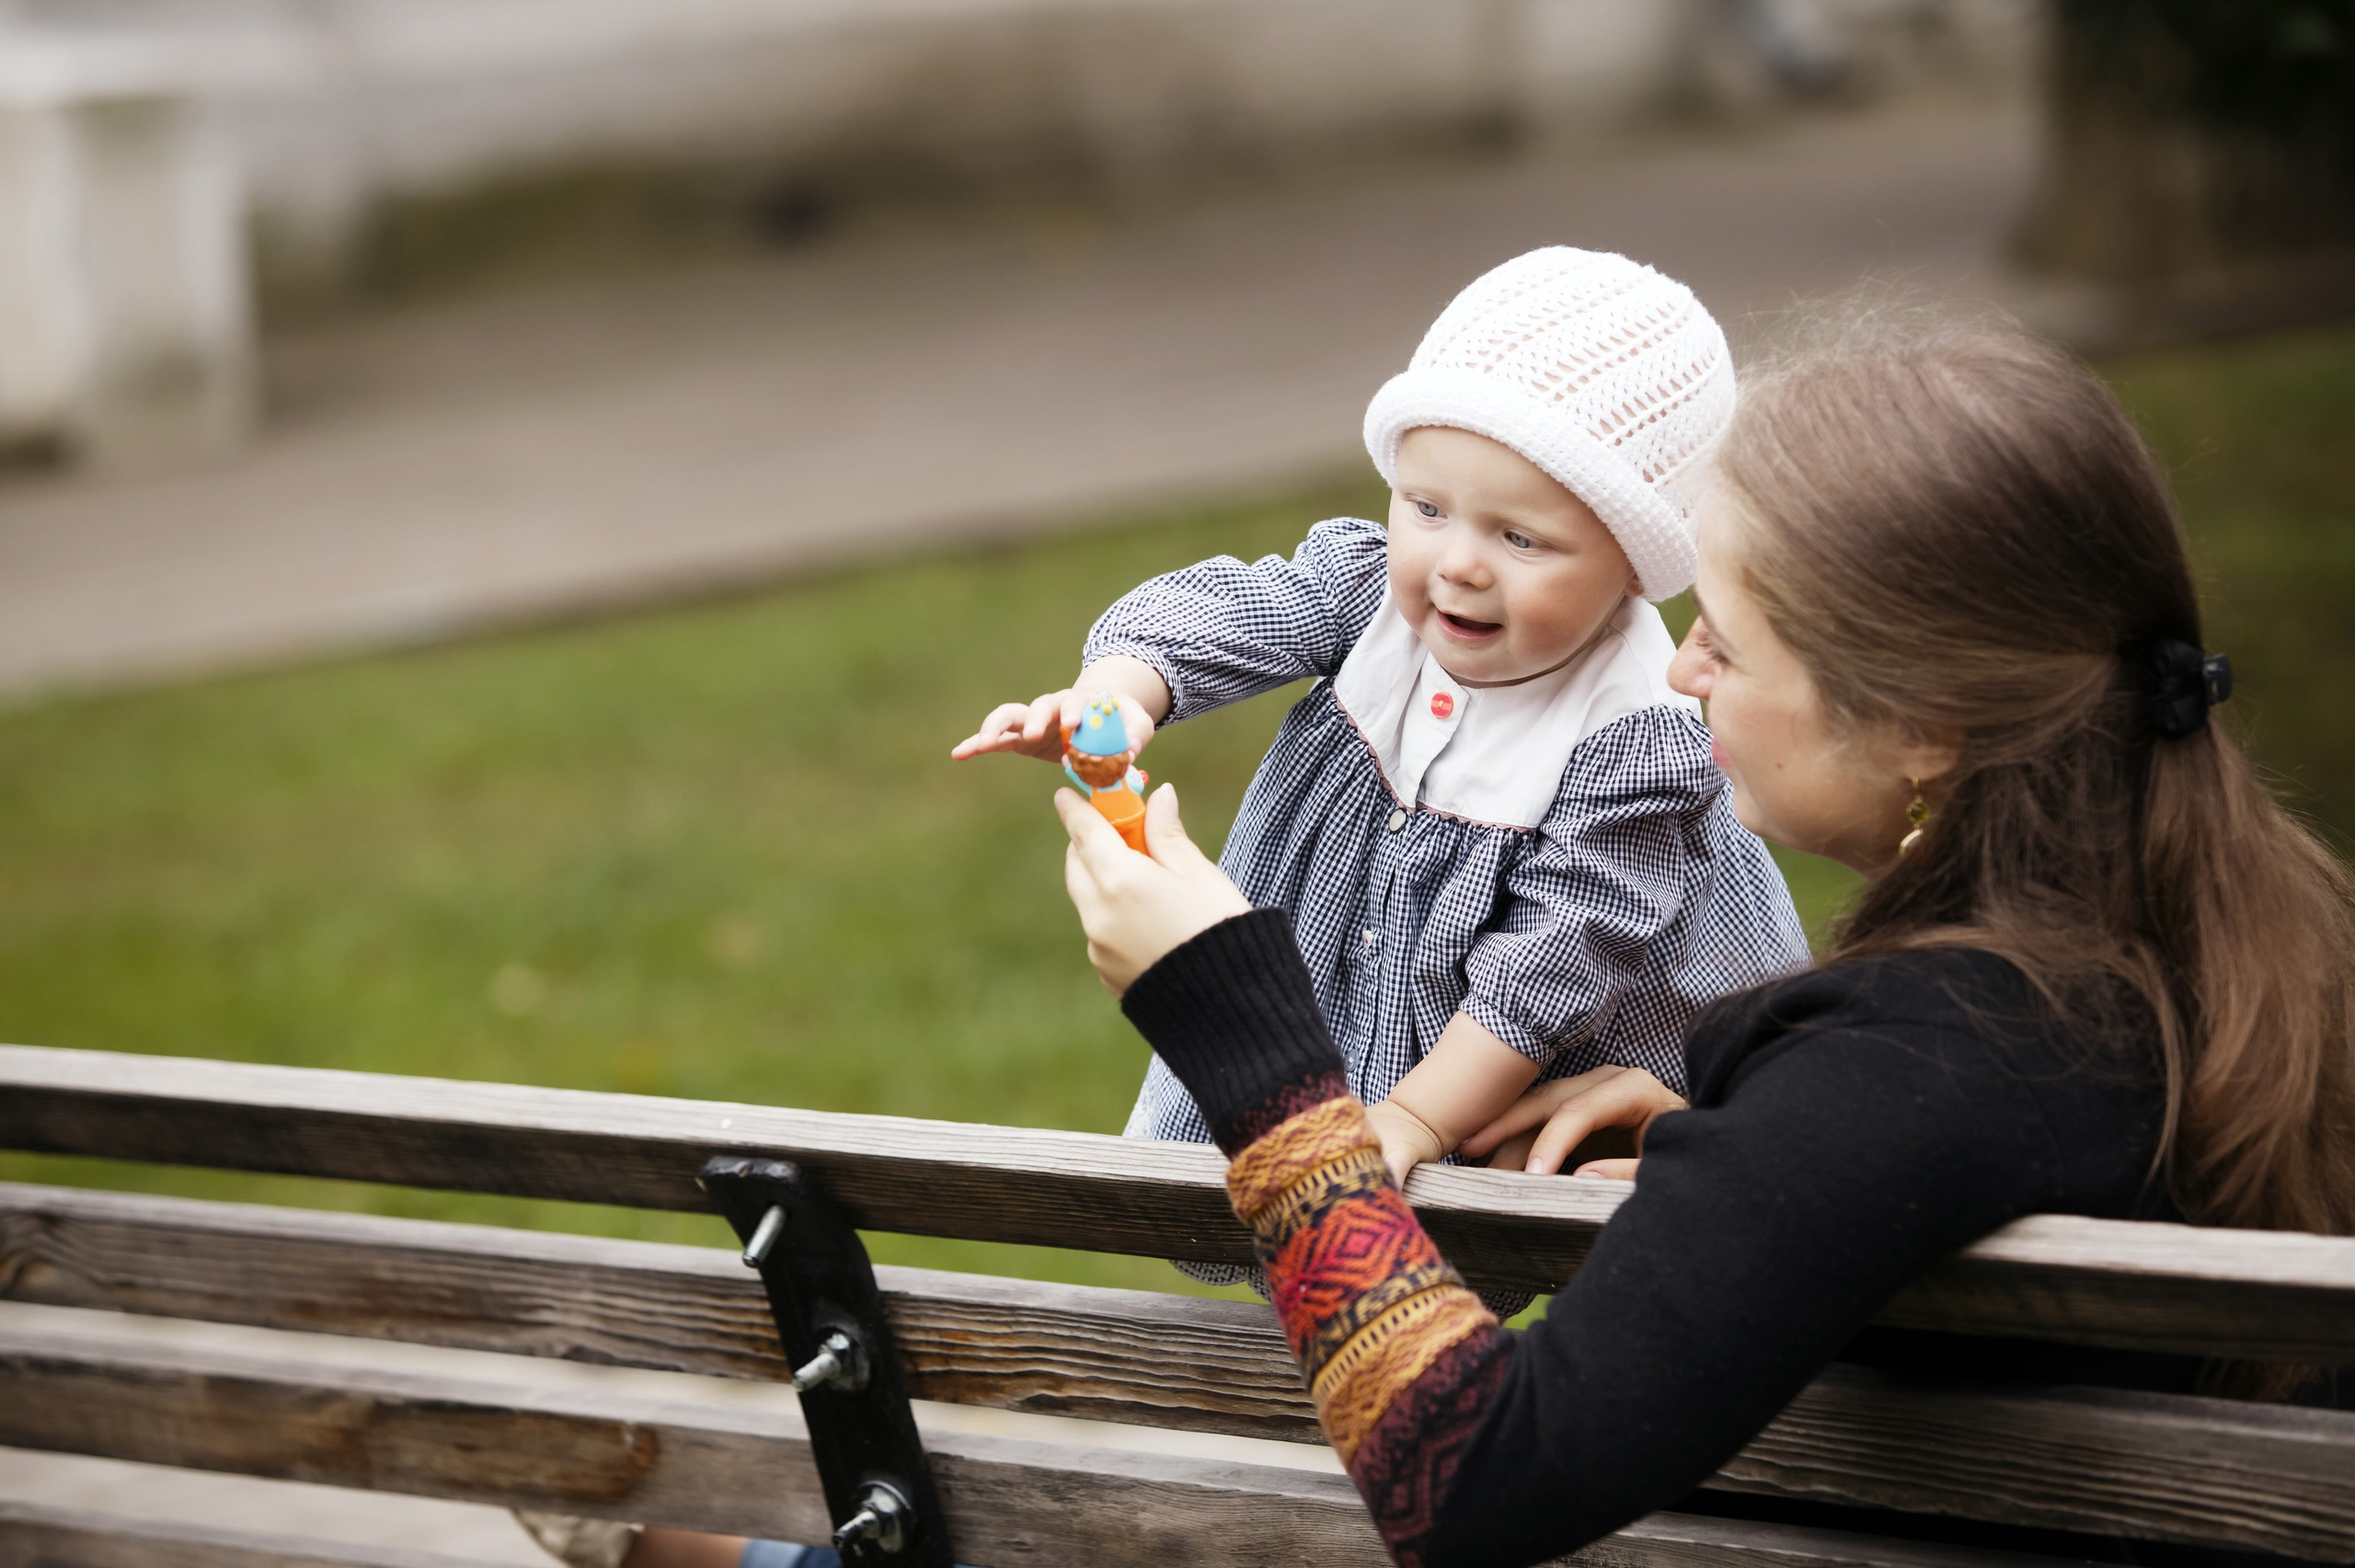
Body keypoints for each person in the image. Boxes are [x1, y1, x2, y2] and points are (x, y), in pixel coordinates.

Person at [1053, 316, 2355, 1568]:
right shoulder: (2236, 935)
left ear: (1926, 728)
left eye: (1729, 642)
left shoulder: (1923, 1068)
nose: (1682, 675)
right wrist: (1732, 1134)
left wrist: (1244, 1032)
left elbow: (1473, 1479)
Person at [954, 249, 1809, 1288]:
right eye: (1428, 507)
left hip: (1533, 1070)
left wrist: (1405, 1118)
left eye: (1519, 536)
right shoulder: (1368, 595)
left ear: (1635, 561)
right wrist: (1118, 694)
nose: (1457, 561)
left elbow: (1547, 972)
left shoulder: (1632, 740)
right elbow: (1234, 609)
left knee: (1488, 1255)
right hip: (1358, 970)